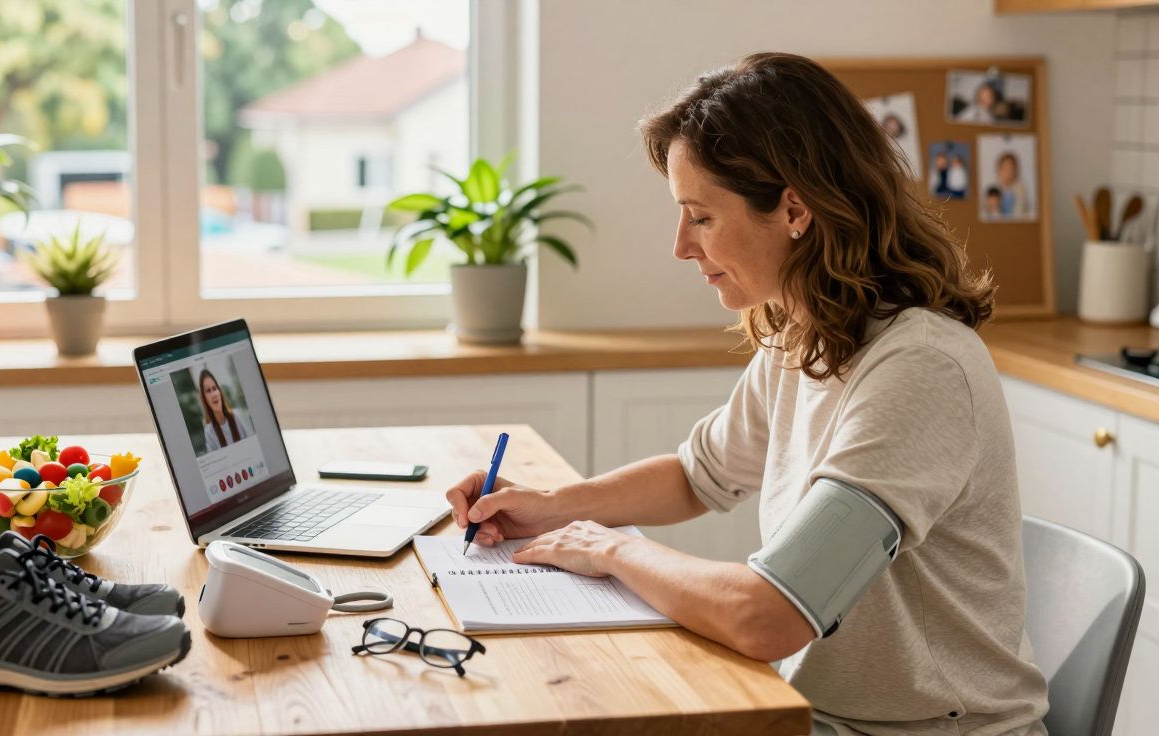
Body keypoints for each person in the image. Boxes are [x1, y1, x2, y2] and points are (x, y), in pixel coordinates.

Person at [446, 52, 1049, 735]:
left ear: (795, 208)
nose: (681, 246)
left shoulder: (921, 371)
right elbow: (696, 477)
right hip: (821, 715)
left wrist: (612, 549)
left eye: (700, 217)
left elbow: (767, 615)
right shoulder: (808, 333)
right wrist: (553, 508)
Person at [198, 368, 252, 452]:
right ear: (205, 399)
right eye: (208, 391)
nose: (214, 394)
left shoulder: (236, 416)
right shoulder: (209, 432)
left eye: (215, 388)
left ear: (219, 391)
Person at [995, 152, 1031, 218]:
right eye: (1005, 168)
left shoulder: (1020, 189)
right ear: (999, 170)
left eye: (1010, 168)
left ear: (1015, 170)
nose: (1008, 171)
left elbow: (1022, 211)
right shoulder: (995, 188)